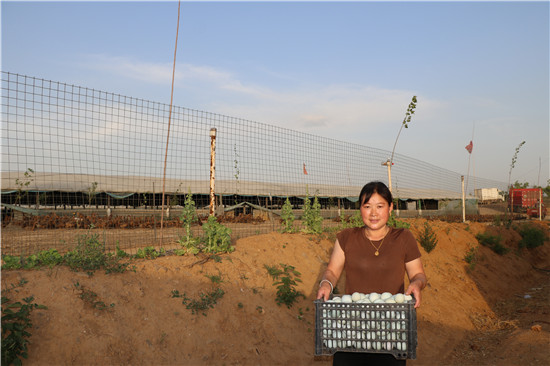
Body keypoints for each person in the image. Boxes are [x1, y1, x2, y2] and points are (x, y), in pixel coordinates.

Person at [316, 181, 427, 366]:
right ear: (360, 209)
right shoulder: (347, 238)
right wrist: (326, 283)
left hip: (391, 331)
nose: (373, 213)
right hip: (351, 329)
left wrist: (417, 284)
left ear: (390, 208)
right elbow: (332, 272)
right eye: (367, 206)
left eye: (380, 206)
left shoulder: (403, 238)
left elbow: (418, 275)